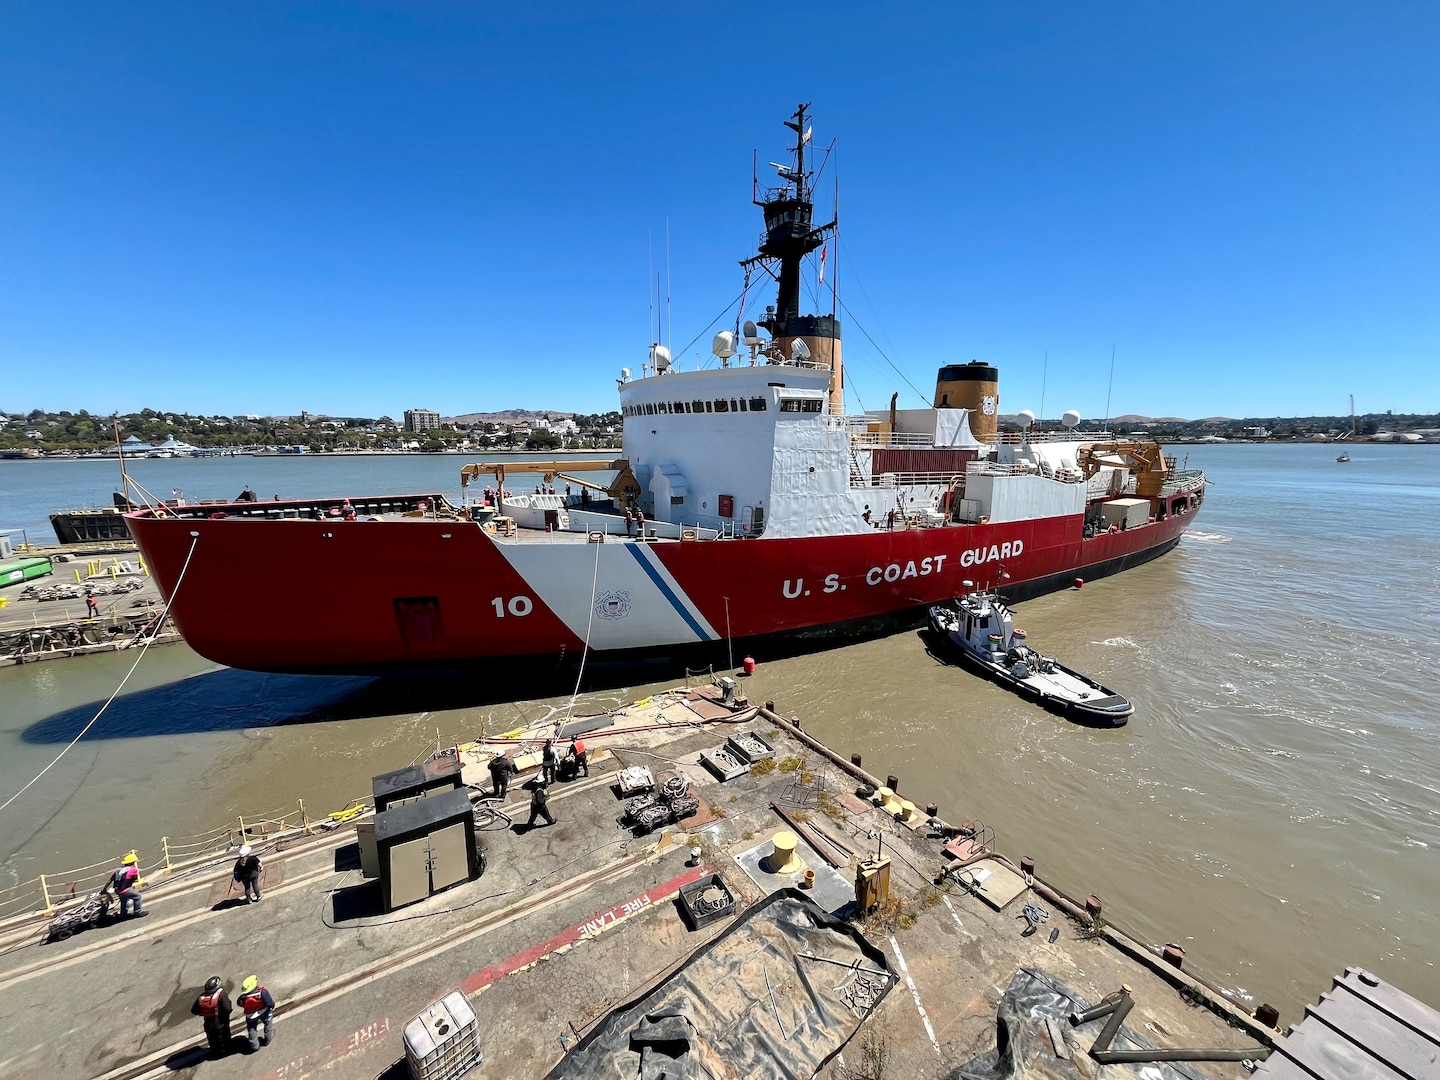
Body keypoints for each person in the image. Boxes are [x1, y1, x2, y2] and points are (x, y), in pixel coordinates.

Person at [193, 976, 234, 1058]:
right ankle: (225, 1051)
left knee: (212, 1039)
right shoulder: (221, 995)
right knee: (224, 1037)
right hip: (220, 1022)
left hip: (208, 1023)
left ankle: (215, 1052)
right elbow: (227, 1008)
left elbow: (194, 1010)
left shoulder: (201, 997)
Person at [237, 975, 275, 1051]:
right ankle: (268, 1037)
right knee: (268, 1023)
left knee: (252, 1029)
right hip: (264, 1011)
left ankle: (254, 1045)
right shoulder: (262, 992)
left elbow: (239, 1003)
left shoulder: (242, 998)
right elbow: (269, 1003)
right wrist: (271, 1007)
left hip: (250, 1015)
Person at [108, 852, 145, 918]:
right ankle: (137, 912)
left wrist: (104, 889)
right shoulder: (133, 869)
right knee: (137, 896)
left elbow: (109, 881)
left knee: (124, 900)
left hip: (117, 890)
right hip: (126, 890)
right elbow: (135, 879)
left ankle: (123, 914)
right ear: (133, 862)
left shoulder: (117, 870)